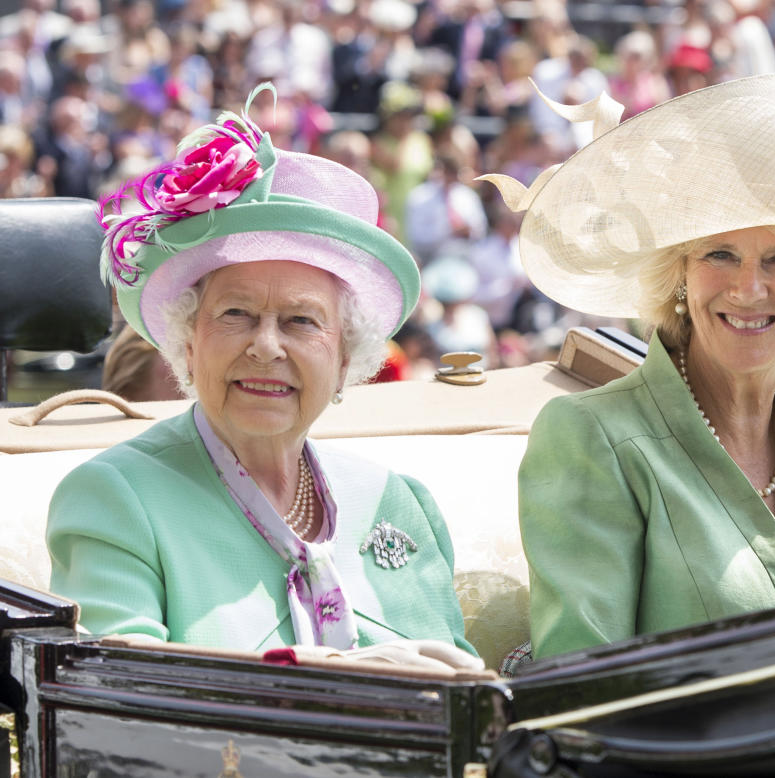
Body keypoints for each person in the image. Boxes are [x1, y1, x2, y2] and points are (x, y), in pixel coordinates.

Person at [481, 70, 775, 660]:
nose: (748, 289)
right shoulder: (592, 438)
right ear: (681, 275)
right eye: (720, 254)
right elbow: (579, 696)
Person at [46, 85, 480, 671]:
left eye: (302, 321)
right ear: (188, 342)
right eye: (236, 315)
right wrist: (345, 679)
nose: (266, 346)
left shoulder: (396, 501)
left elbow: (464, 694)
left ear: (345, 357)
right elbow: (117, 702)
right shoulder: (116, 499)